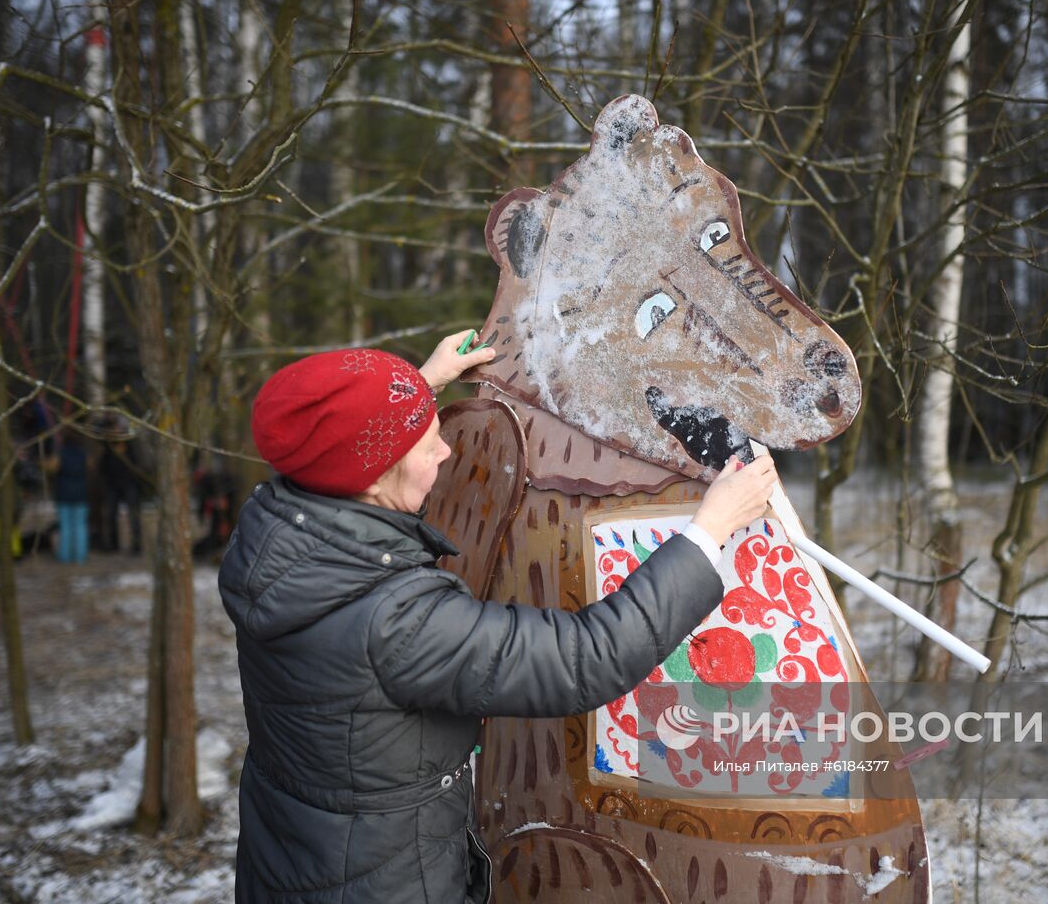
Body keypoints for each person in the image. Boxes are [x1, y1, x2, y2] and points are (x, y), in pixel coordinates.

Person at [219, 333, 777, 904]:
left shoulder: (278, 530)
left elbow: (339, 447)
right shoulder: (394, 620)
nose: (445, 451)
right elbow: (586, 658)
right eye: (424, 441)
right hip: (382, 882)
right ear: (370, 475)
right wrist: (711, 528)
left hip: (293, 856)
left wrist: (418, 388)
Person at [100, 435, 143, 554]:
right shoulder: (109, 450)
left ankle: (137, 544)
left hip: (129, 485)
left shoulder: (132, 449)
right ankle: (112, 544)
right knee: (110, 515)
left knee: (134, 516)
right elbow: (103, 468)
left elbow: (138, 467)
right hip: (113, 486)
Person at [52, 433, 90, 564]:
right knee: (80, 526)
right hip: (81, 494)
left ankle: (65, 556)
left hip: (64, 494)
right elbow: (90, 467)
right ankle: (80, 556)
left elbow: (53, 466)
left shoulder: (60, 453)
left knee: (65, 526)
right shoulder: (83, 454)